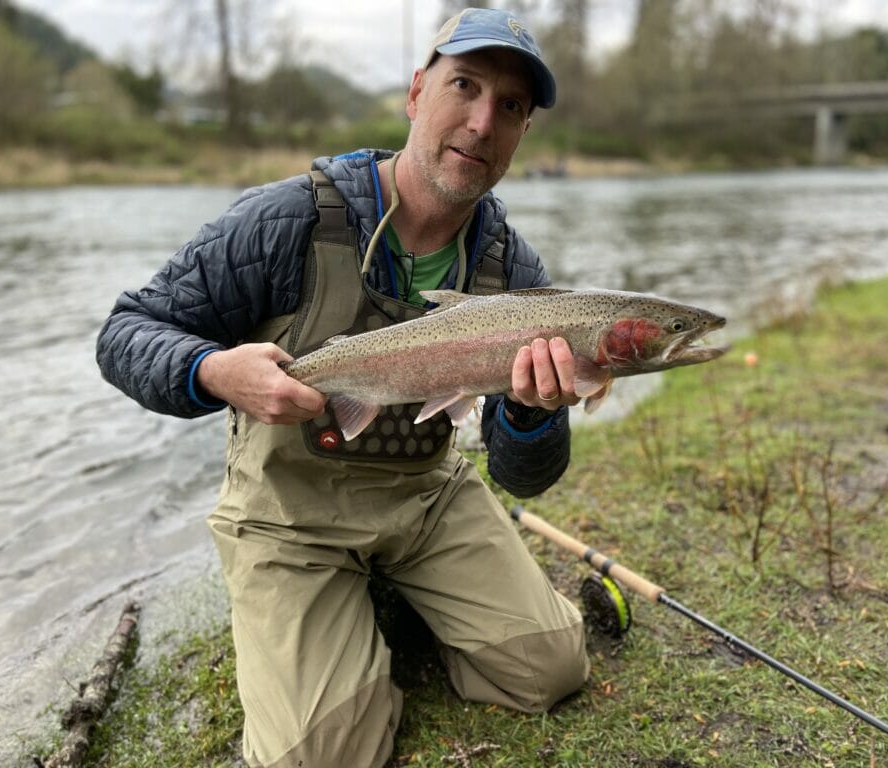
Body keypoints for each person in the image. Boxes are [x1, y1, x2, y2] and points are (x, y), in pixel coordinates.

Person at [96, 7, 590, 768]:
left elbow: (528, 475)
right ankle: (348, 637)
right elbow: (127, 332)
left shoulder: (513, 275)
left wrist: (530, 412)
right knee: (320, 757)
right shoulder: (285, 218)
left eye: (512, 106)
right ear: (417, 92)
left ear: (523, 133)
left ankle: (396, 611)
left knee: (553, 669)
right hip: (288, 519)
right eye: (465, 85)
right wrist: (210, 371)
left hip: (424, 501)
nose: (483, 121)